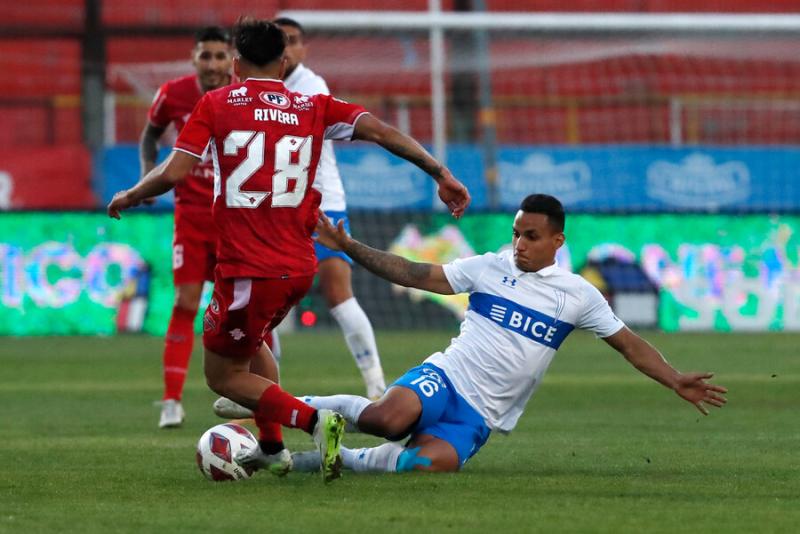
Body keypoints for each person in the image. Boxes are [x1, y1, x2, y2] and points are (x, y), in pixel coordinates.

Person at [107, 19, 470, 482]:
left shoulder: (215, 104)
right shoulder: (314, 106)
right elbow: (380, 131)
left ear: (235, 64)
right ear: (284, 63)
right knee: (254, 347)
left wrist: (130, 194)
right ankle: (272, 447)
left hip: (247, 268)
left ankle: (314, 419)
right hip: (299, 265)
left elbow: (175, 173)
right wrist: (440, 172)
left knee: (222, 376)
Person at [289, 193, 728, 474]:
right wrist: (348, 246)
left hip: (480, 415)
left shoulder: (578, 295)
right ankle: (286, 407)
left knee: (423, 466)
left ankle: (339, 458)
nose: (519, 244)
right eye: (516, 233)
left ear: (557, 241)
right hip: (446, 378)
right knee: (386, 420)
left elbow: (629, 344)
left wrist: (674, 379)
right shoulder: (488, 267)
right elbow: (413, 273)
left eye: (531, 236)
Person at [277, 16, 386, 400]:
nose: (286, 48)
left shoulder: (311, 86)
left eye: (292, 41)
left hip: (323, 200)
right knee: (267, 294)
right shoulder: (256, 87)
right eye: (278, 41)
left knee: (338, 291)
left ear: (303, 49)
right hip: (278, 203)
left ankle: (375, 383)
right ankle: (264, 390)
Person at [139, 26, 233, 429]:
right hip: (192, 216)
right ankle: (172, 400)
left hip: (235, 216)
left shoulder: (242, 94)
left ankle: (248, 393)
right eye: (204, 55)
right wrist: (146, 176)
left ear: (231, 59)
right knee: (185, 302)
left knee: (242, 308)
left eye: (218, 55)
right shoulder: (173, 94)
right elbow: (150, 136)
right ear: (193, 58)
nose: (211, 63)